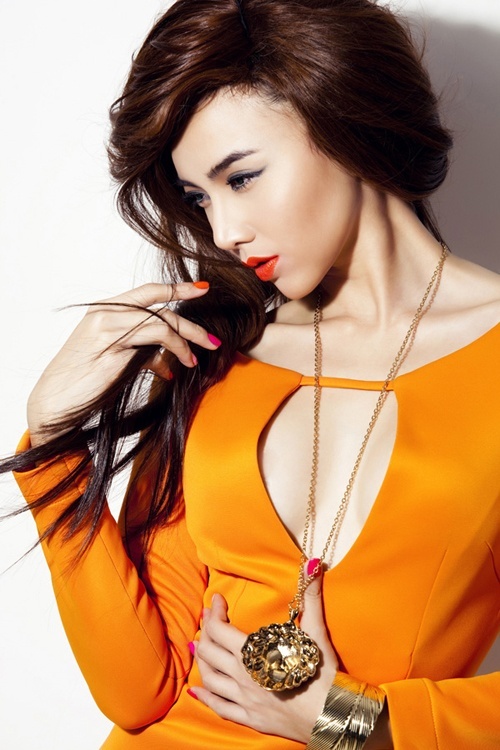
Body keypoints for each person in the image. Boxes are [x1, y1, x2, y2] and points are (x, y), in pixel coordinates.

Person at [3, 0, 500, 747]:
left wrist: (353, 722)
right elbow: (138, 693)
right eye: (199, 198)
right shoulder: (215, 355)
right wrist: (52, 445)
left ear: (346, 122)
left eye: (242, 177)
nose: (224, 231)